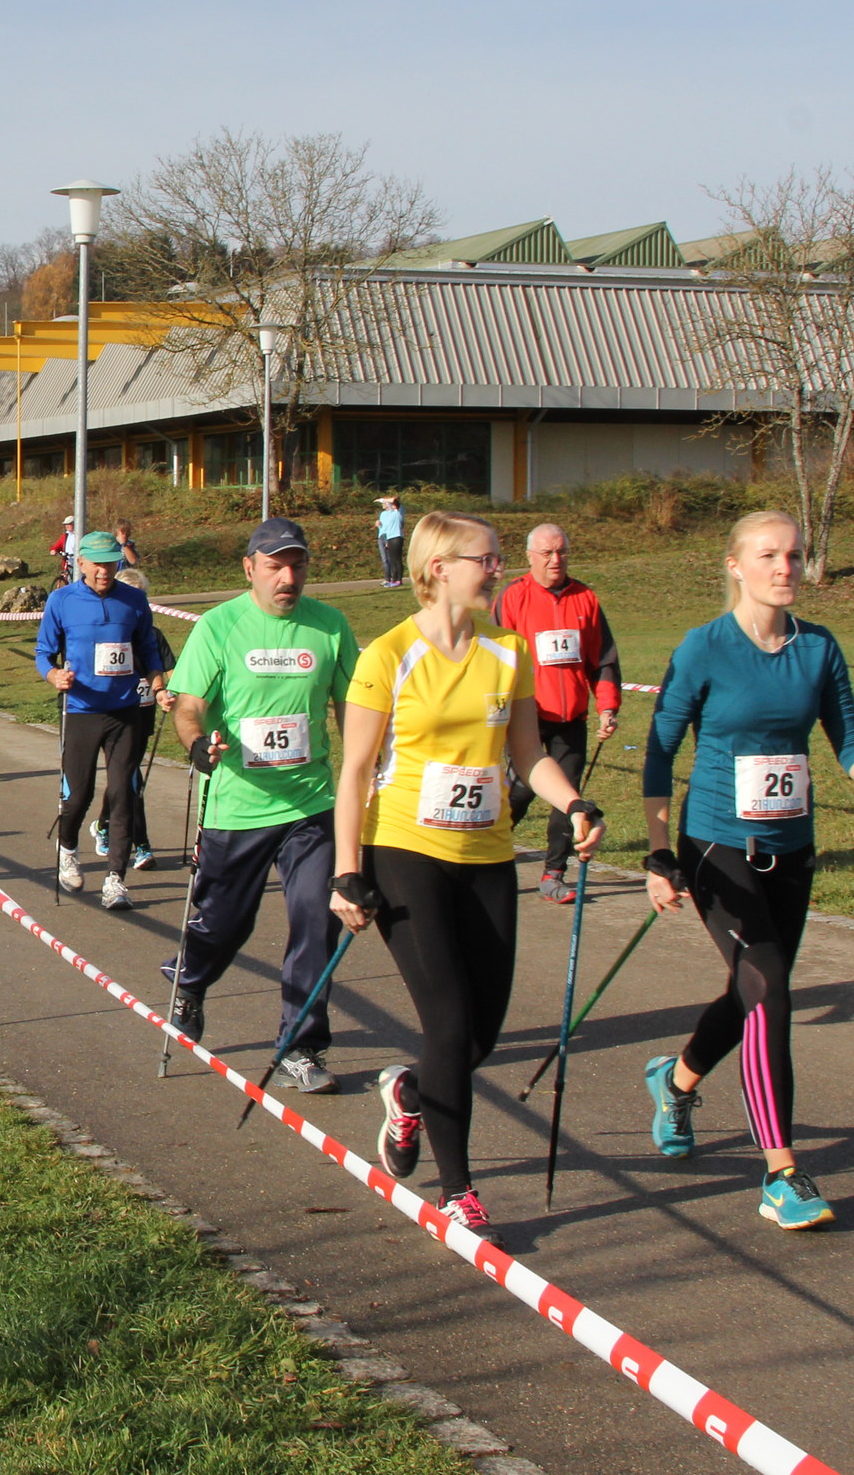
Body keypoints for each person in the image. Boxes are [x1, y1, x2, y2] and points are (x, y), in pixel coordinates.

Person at [638, 510, 854, 1232]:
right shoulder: (704, 647)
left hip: (792, 848)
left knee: (752, 992)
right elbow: (659, 752)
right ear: (735, 566)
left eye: (795, 555)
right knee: (769, 990)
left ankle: (675, 1081)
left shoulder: (819, 647)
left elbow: (849, 744)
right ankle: (780, 1172)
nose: (785, 568)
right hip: (716, 847)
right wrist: (658, 853)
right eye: (769, 555)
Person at [329, 511, 603, 1242]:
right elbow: (354, 773)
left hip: (486, 855)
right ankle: (459, 1193)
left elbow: (527, 755)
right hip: (404, 851)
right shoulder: (388, 655)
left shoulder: (507, 650)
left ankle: (410, 1090)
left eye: (499, 557)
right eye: (487, 558)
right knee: (448, 1023)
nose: (498, 569)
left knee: (480, 1032)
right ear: (439, 568)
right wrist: (347, 871)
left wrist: (573, 803)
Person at [160, 518, 357, 1090]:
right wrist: (197, 744)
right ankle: (191, 979)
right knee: (224, 927)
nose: (288, 578)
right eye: (275, 566)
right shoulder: (219, 626)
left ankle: (301, 1046)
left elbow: (354, 712)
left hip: (310, 804)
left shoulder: (330, 626)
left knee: (315, 921)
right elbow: (189, 706)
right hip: (237, 807)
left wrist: (368, 774)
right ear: (250, 569)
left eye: (297, 565)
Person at [35, 531, 173, 909]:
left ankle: (115, 879)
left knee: (123, 793)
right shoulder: (62, 600)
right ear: (80, 563)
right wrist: (53, 675)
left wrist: (159, 687)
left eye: (111, 564)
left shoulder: (134, 599)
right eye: (97, 564)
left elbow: (148, 649)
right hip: (82, 710)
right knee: (79, 795)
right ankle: (68, 848)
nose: (104, 572)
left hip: (125, 711)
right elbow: (44, 652)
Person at [494, 523, 624, 901]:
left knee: (569, 798)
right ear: (530, 557)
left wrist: (607, 707)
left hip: (572, 719)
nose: (556, 560)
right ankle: (486, 853)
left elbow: (603, 659)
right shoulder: (513, 597)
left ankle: (554, 874)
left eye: (562, 552)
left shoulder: (586, 598)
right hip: (528, 717)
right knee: (520, 793)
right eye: (547, 553)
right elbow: (496, 658)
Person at [374, 496, 406, 587]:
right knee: (392, 560)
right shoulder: (389, 513)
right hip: (390, 537)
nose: (384, 504)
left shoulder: (399, 511)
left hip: (397, 537)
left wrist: (381, 500)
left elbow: (395, 501)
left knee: (397, 560)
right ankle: (394, 580)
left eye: (386, 503)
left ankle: (399, 580)